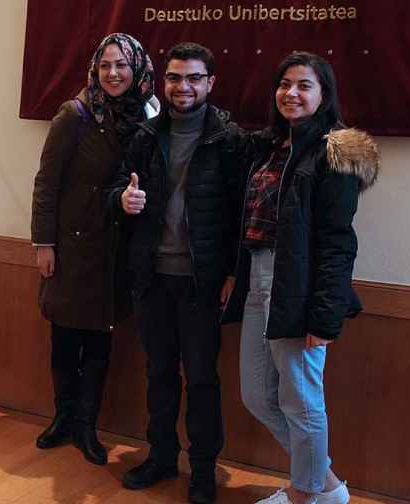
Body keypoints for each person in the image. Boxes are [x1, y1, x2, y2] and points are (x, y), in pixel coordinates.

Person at [222, 52, 379, 504]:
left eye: (304, 85)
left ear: (323, 94)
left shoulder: (333, 153)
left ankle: (303, 495)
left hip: (297, 286)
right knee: (257, 394)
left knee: (301, 399)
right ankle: (327, 486)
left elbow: (337, 242)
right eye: (285, 83)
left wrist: (325, 318)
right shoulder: (269, 147)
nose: (292, 93)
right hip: (258, 277)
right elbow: (248, 220)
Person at [108, 42, 244, 504]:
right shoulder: (147, 135)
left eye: (192, 78)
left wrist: (230, 274)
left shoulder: (230, 140)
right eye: (173, 77)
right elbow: (115, 189)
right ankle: (162, 456)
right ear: (161, 81)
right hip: (151, 277)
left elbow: (241, 217)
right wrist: (121, 202)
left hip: (201, 284)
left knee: (202, 377)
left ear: (210, 83)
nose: (181, 86)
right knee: (159, 372)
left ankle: (203, 467)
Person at [30, 33, 157, 465]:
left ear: (137, 68)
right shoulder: (76, 113)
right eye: (105, 65)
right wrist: (43, 243)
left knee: (101, 338)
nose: (113, 74)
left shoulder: (149, 115)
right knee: (64, 333)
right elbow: (47, 183)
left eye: (121, 65)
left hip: (118, 246)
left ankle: (87, 426)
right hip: (71, 245)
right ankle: (62, 417)